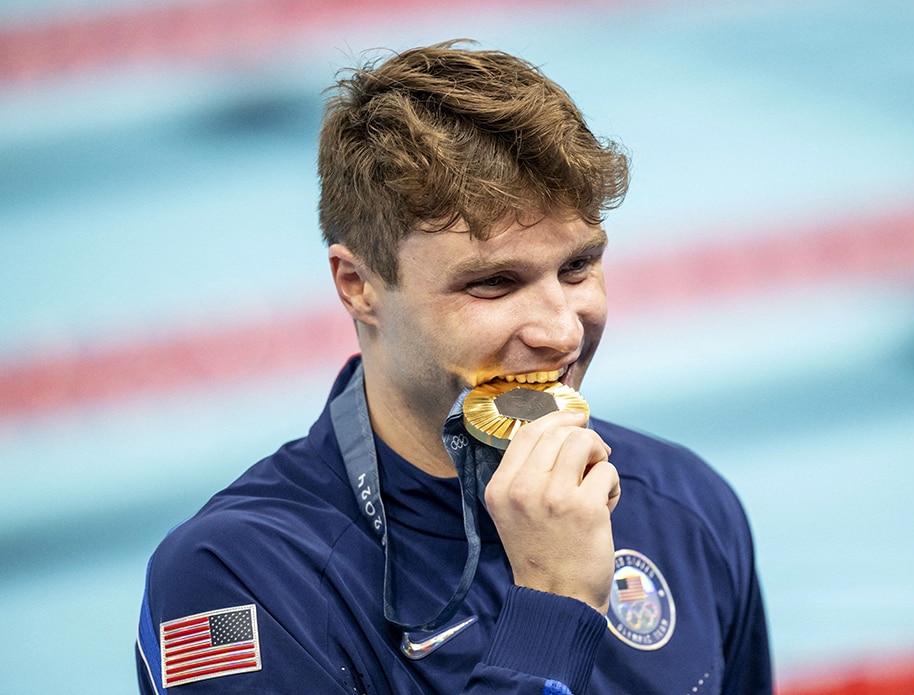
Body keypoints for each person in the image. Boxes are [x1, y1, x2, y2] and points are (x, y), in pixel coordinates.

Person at [135, 40, 772, 694]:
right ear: (358, 284)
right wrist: (552, 603)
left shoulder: (687, 506)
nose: (560, 331)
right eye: (494, 283)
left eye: (577, 266)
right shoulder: (231, 583)